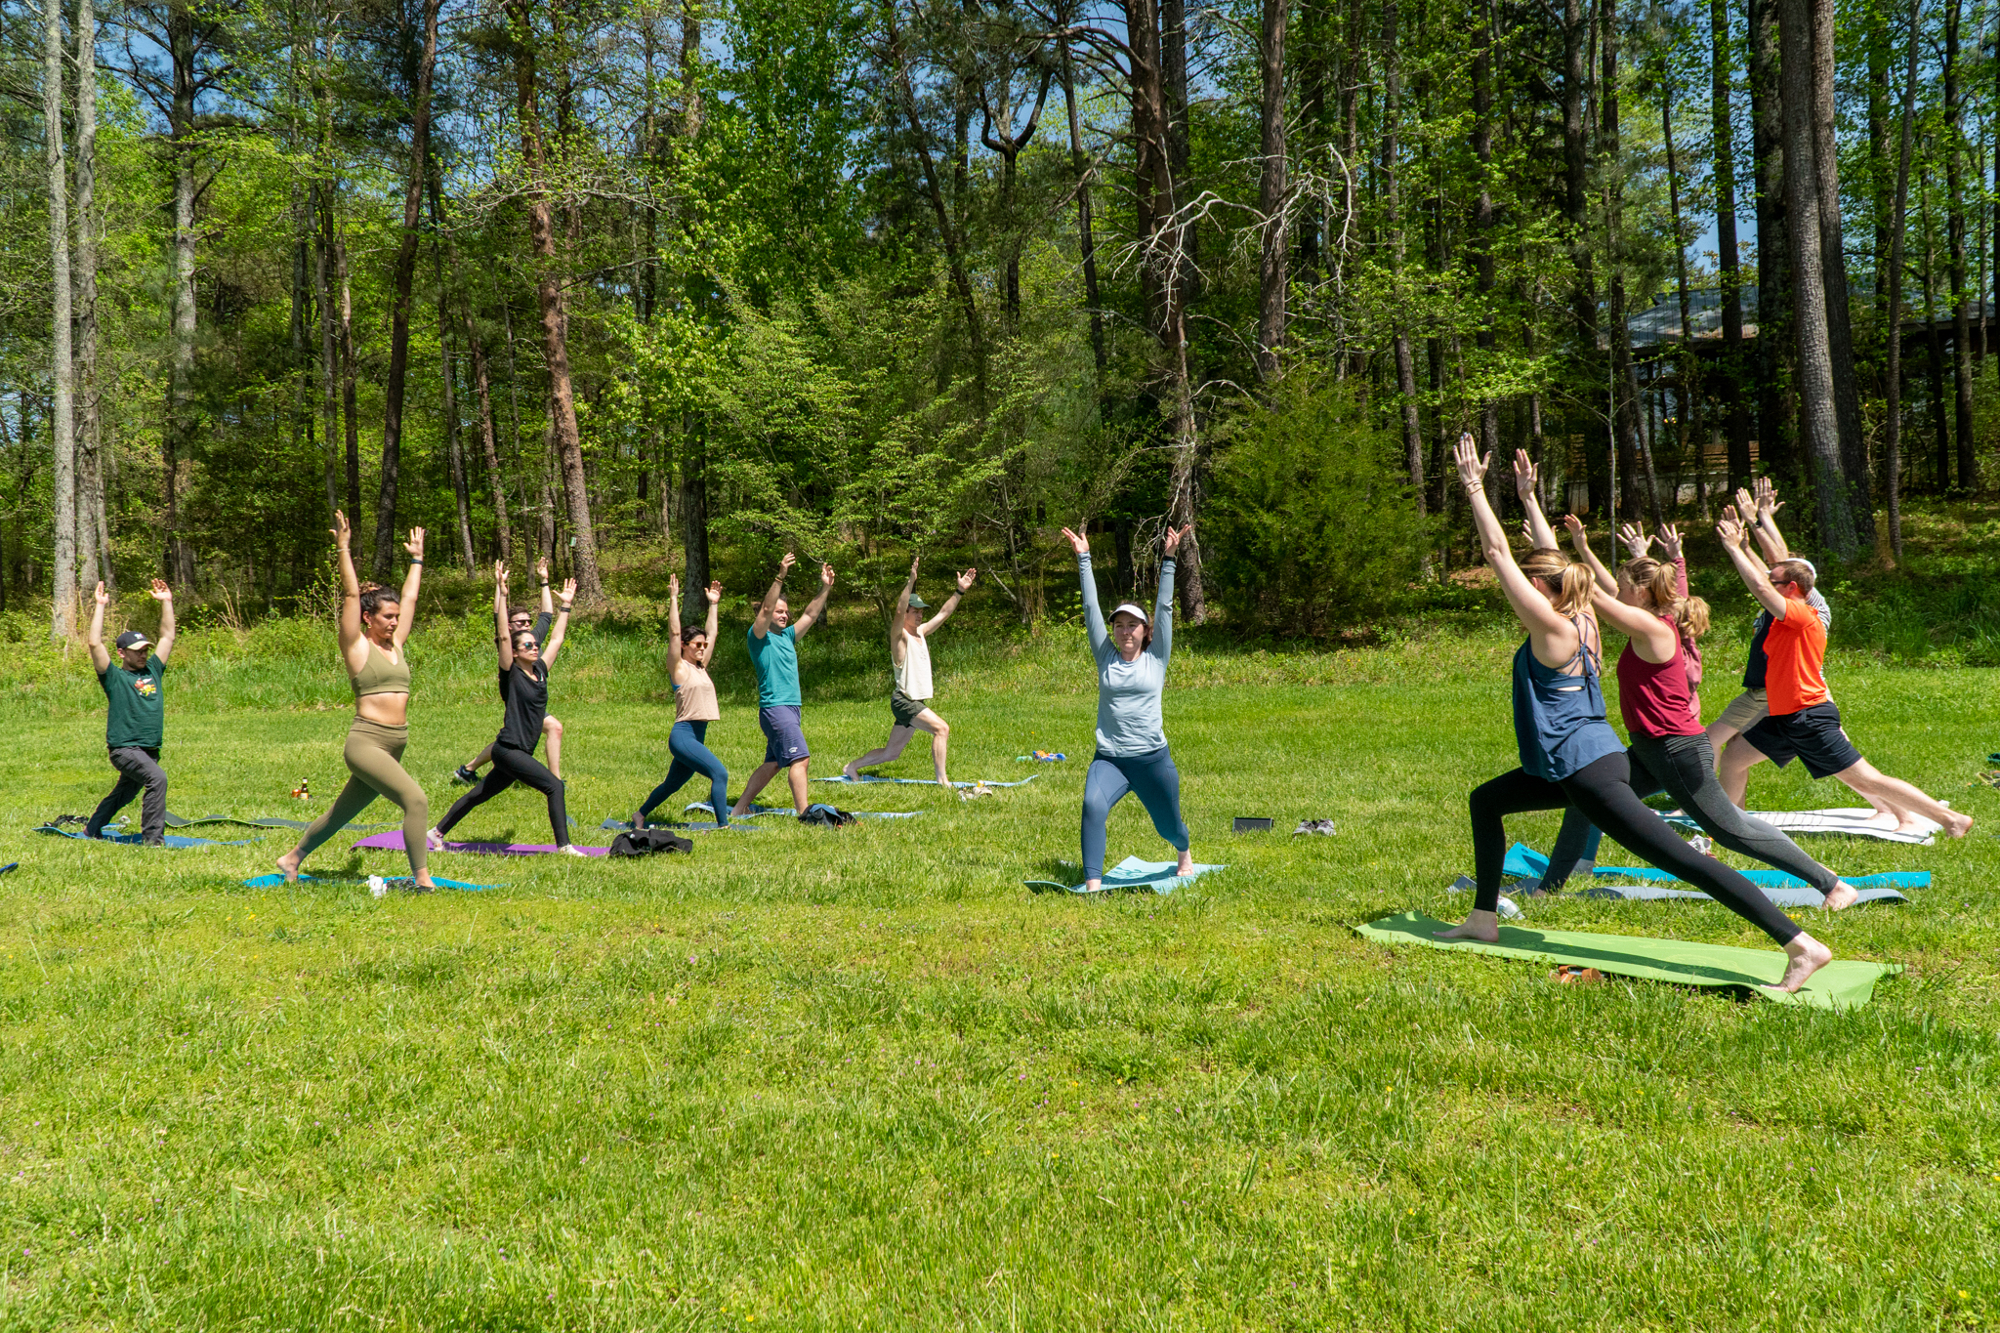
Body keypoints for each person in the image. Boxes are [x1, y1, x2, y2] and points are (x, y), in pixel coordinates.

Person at [1437, 435, 1836, 994]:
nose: (1523, 585)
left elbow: (1498, 554)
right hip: (1579, 762)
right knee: (1487, 800)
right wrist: (1528, 501)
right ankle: (1483, 918)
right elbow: (1554, 564)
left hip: (1589, 772)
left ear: (1538, 591)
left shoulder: (1552, 629)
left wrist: (1475, 487)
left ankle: (1800, 944)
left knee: (1685, 861)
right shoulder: (1582, 619)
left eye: (1531, 583)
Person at [1534, 520, 1862, 909]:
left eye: (1623, 587)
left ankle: (1833, 885)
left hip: (1676, 750)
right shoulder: (1650, 617)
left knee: (1730, 830)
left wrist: (1556, 559)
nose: (1618, 592)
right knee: (1586, 799)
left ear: (1639, 593)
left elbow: (1590, 594)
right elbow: (1600, 590)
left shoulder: (1651, 627)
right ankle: (1548, 889)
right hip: (1649, 749)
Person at [1713, 511, 1972, 838]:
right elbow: (1768, 580)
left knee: (1865, 779)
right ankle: (1732, 829)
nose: (1766, 584)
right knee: (1735, 758)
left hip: (1808, 715)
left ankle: (1951, 818)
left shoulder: (1802, 615)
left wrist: (1734, 548)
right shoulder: (1784, 616)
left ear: (1791, 588)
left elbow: (1762, 589)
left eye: (1774, 581)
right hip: (1785, 715)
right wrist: (1750, 537)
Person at [278, 514, 436, 889]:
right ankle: (423, 879)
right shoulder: (356, 646)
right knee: (416, 801)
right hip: (367, 742)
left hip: (396, 743)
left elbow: (410, 596)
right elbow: (350, 595)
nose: (396, 622)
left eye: (397, 617)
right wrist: (343, 548)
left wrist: (417, 560)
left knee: (341, 813)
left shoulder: (396, 643)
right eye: (388, 617)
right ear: (368, 618)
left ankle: (292, 858)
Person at [1063, 521, 1196, 895]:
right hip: (1110, 759)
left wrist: (1168, 558)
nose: (1124, 631)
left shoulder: (1157, 658)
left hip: (1152, 759)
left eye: (1132, 625)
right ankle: (1093, 883)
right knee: (1092, 805)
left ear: (1144, 631)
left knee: (1169, 827)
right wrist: (1084, 558)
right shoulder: (1105, 657)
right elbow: (1090, 607)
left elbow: (1165, 606)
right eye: (1119, 625)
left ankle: (1183, 852)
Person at [430, 564, 582, 853]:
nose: (534, 647)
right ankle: (564, 847)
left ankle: (437, 832)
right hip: (508, 749)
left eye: (534, 645)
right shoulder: (511, 674)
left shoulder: (541, 669)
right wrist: (501, 592)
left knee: (479, 794)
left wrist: (566, 606)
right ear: (514, 652)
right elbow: (502, 636)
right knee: (554, 786)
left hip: (519, 751)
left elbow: (558, 639)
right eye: (527, 646)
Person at [842, 556, 978, 785]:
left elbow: (944, 613)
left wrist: (959, 591)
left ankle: (851, 766)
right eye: (914, 610)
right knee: (941, 729)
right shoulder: (900, 638)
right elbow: (897, 610)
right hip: (905, 701)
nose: (919, 614)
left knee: (891, 753)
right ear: (905, 613)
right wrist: (910, 582)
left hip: (913, 701)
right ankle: (942, 781)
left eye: (921, 611)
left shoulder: (921, 633)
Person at [733, 552, 834, 819]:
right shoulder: (758, 637)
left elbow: (811, 614)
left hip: (789, 708)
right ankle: (804, 814)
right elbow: (766, 610)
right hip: (775, 708)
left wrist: (825, 588)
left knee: (773, 762)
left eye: (786, 612)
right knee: (800, 759)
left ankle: (739, 808)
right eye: (780, 611)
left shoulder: (787, 637)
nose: (785, 616)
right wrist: (780, 576)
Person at [451, 557, 563, 785]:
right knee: (548, 728)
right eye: (520, 622)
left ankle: (468, 769)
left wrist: (544, 581)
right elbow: (498, 616)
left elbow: (547, 615)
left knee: (512, 739)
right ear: (509, 625)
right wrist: (499, 589)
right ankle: (554, 780)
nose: (525, 625)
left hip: (532, 698)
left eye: (527, 621)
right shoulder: (508, 644)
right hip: (517, 695)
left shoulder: (531, 637)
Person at [631, 574, 730, 829]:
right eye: (697, 644)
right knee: (719, 774)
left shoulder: (700, 666)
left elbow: (713, 632)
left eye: (704, 645)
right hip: (684, 735)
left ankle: (640, 815)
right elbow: (674, 632)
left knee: (672, 784)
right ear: (685, 646)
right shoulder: (679, 668)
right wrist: (674, 598)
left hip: (697, 736)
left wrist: (714, 604)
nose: (702, 647)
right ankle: (724, 826)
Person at [84, 578, 178, 845]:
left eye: (145, 650)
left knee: (125, 792)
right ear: (121, 653)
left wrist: (166, 603)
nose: (143, 655)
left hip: (148, 749)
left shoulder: (154, 670)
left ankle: (93, 828)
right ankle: (152, 841)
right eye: (137, 651)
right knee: (157, 780)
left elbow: (168, 636)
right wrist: (100, 605)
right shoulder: (113, 677)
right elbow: (94, 644)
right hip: (125, 749)